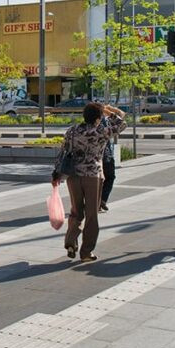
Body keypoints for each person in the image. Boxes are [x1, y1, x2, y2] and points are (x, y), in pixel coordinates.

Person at [52, 102, 126, 261]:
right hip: (93, 176)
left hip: (73, 175)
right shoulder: (102, 131)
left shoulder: (72, 130)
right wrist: (108, 111)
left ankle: (71, 240)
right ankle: (86, 252)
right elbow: (122, 123)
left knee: (76, 211)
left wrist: (56, 173)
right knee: (91, 214)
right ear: (98, 118)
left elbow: (63, 151)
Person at [99, 116, 117, 213]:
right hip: (106, 157)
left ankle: (98, 202)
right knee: (109, 177)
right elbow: (122, 123)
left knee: (96, 181)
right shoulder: (105, 124)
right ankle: (102, 200)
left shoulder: (82, 127)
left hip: (91, 160)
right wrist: (110, 110)